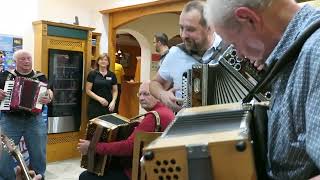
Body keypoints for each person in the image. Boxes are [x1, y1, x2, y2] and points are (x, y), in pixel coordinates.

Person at [207, 0, 320, 179]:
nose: (238, 54)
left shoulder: (316, 53)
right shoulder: (291, 54)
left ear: (249, 19)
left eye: (234, 44)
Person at [78, 81, 175, 180]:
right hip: (155, 170)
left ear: (157, 95)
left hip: (137, 173)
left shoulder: (153, 117)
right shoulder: (168, 112)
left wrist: (93, 146)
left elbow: (129, 147)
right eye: (140, 94)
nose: (141, 98)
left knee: (85, 176)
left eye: (146, 94)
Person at [150, 0, 223, 112]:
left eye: (190, 29)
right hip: (187, 124)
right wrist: (162, 94)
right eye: (181, 28)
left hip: (227, 125)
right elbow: (155, 83)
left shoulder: (233, 48)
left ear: (210, 28)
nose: (183, 35)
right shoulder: (175, 53)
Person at [0, 50, 53, 180]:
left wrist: (49, 97)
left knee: (38, 153)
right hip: (11, 120)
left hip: (34, 120)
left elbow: (50, 91)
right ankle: (8, 178)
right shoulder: (6, 76)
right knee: (4, 154)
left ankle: (37, 177)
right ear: (15, 62)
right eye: (22, 59)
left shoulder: (40, 76)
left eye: (28, 58)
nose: (26, 61)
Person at [86, 53, 118, 119]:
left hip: (108, 106)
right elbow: (88, 90)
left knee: (107, 127)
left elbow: (115, 90)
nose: (103, 61)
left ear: (108, 63)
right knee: (94, 127)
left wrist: (113, 102)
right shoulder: (92, 74)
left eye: (105, 60)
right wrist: (99, 99)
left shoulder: (112, 75)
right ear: (98, 62)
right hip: (95, 106)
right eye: (101, 59)